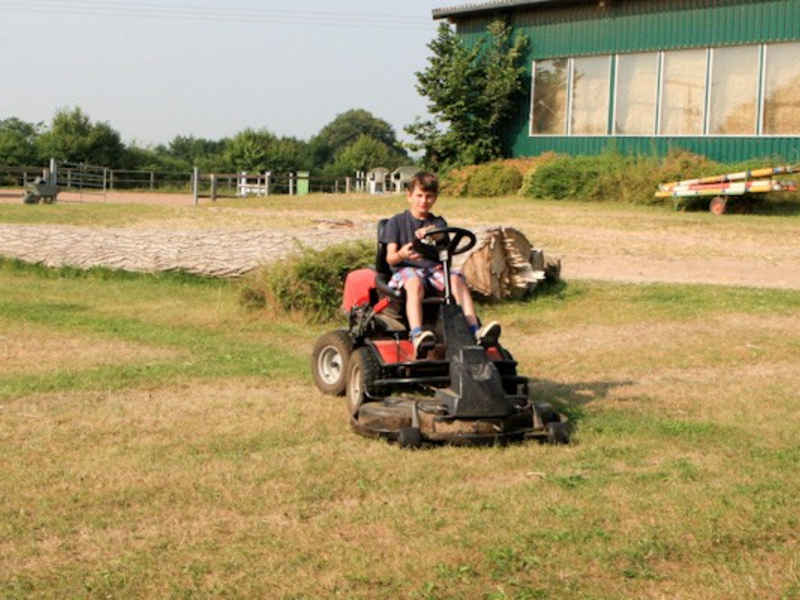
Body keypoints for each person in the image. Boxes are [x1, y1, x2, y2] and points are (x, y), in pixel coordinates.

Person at [380, 171, 501, 357]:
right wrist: (402, 254)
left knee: (457, 280)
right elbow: (390, 258)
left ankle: (474, 329)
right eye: (419, 196)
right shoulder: (396, 222)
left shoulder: (437, 222)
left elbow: (440, 234)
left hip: (433, 270)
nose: (423, 201)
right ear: (409, 196)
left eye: (429, 196)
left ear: (434, 198)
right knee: (414, 284)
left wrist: (432, 233)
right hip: (406, 269)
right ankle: (417, 334)